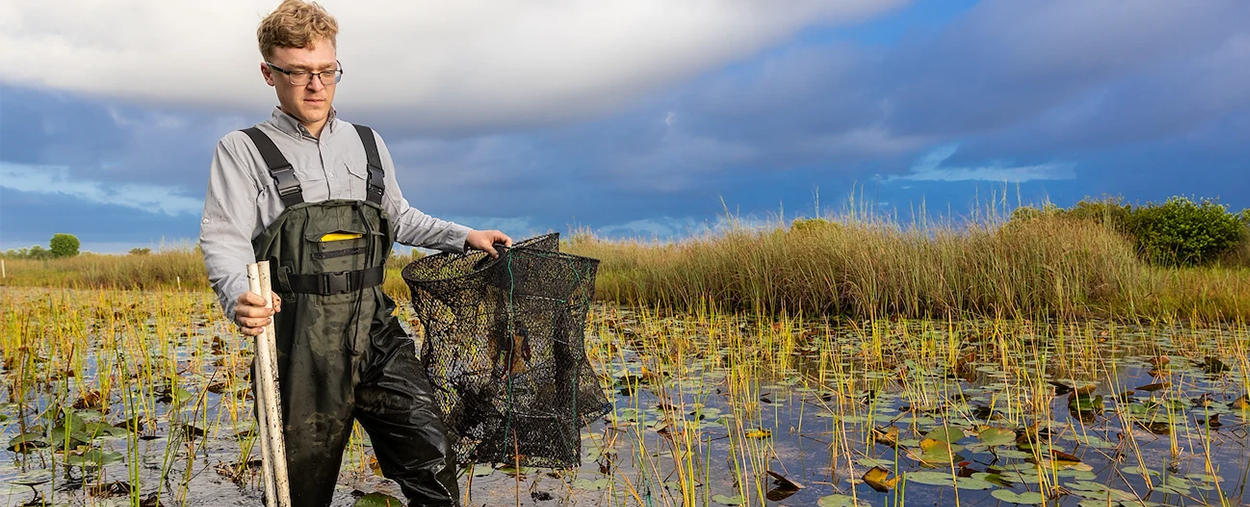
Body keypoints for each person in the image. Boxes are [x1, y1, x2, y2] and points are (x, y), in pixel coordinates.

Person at [198, 1, 510, 505]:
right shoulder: (242, 149)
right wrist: (238, 295)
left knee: (432, 456)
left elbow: (400, 218)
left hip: (375, 327)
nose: (315, 85)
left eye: (326, 71)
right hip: (300, 341)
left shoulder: (367, 143)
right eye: (298, 73)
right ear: (268, 73)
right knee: (301, 488)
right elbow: (224, 237)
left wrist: (465, 235)